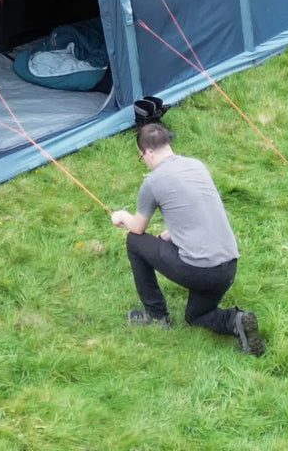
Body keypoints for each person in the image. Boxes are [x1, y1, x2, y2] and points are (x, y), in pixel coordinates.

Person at [110, 121, 265, 355]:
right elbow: (198, 209)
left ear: (148, 152)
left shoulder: (152, 182)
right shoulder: (196, 166)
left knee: (134, 242)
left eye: (141, 156)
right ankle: (237, 320)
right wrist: (170, 234)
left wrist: (121, 215)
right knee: (196, 315)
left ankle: (155, 315)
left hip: (200, 270)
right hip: (227, 266)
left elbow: (138, 228)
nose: (143, 160)